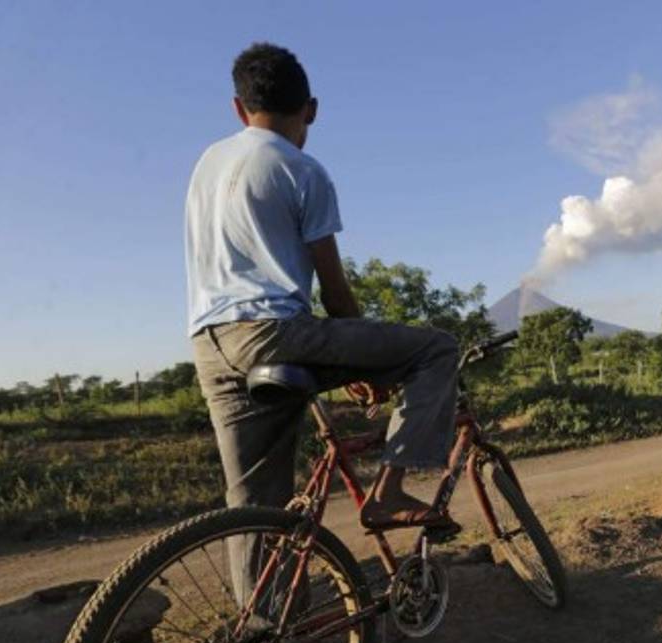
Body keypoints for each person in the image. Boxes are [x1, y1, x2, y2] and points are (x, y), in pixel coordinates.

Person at [185, 42, 458, 601]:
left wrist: (350, 357)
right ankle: (390, 490)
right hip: (274, 333)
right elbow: (334, 290)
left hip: (210, 342)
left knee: (255, 509)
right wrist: (362, 357)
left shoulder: (207, 165)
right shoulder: (300, 168)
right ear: (310, 109)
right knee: (435, 349)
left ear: (239, 109)